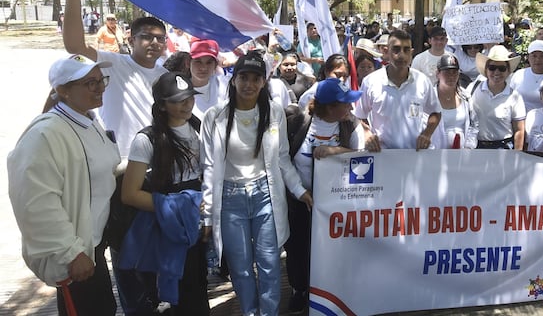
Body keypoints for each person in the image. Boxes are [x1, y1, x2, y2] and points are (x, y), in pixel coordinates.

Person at [59, 0, 169, 314]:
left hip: (159, 175)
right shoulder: (114, 64)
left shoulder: (167, 76)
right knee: (127, 257)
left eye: (160, 38)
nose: (154, 43)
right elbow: (74, 44)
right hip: (120, 176)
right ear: (130, 39)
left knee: (156, 256)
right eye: (146, 37)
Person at [200, 52, 312, 316]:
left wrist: (299, 190)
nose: (249, 84)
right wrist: (207, 214)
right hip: (230, 199)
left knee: (269, 263)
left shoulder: (273, 112)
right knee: (240, 268)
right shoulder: (214, 116)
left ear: (264, 82)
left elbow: (282, 158)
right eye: (243, 77)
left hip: (265, 196)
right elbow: (209, 167)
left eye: (256, 78)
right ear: (234, 80)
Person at [8, 54, 120, 316]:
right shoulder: (45, 134)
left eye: (100, 80)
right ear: (62, 91)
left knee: (104, 308)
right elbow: (36, 203)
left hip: (93, 244)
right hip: (75, 253)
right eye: (90, 83)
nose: (99, 88)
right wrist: (70, 253)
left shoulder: (88, 120)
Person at [120, 72, 209, 314]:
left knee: (198, 283)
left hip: (199, 220)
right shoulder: (146, 139)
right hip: (169, 226)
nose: (187, 105)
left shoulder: (199, 127)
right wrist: (179, 207)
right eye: (178, 100)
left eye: (190, 98)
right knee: (178, 289)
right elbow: (130, 194)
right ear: (161, 105)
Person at [285, 79, 365, 311]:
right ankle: (299, 289)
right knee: (298, 247)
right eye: (346, 103)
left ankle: (333, 291)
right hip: (301, 200)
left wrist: (336, 151)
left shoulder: (351, 125)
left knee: (332, 250)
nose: (351, 107)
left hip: (336, 203)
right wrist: (299, 191)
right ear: (330, 107)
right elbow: (284, 159)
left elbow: (363, 157)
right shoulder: (298, 123)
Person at [354, 28, 442, 150]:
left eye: (406, 50)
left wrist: (427, 134)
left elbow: (436, 112)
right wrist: (367, 133)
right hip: (383, 154)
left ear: (411, 53)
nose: (401, 55)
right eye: (396, 49)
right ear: (386, 51)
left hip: (415, 153)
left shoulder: (422, 81)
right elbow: (360, 115)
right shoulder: (370, 82)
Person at [468, 45, 526, 150]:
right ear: (486, 70)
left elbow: (519, 130)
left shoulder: (515, 97)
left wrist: (517, 154)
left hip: (503, 148)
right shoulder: (472, 89)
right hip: (475, 146)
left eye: (502, 68)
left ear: (508, 71)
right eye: (492, 68)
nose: (497, 72)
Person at [435, 54, 478, 149]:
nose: (451, 76)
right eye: (447, 72)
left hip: (461, 153)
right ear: (438, 73)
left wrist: (468, 147)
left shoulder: (465, 97)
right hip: (435, 153)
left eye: (454, 72)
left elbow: (473, 125)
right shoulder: (430, 97)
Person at [189, 39, 230, 118]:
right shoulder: (180, 90)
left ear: (215, 65)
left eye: (209, 62)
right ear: (188, 62)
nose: (203, 68)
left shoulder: (225, 83)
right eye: (198, 61)